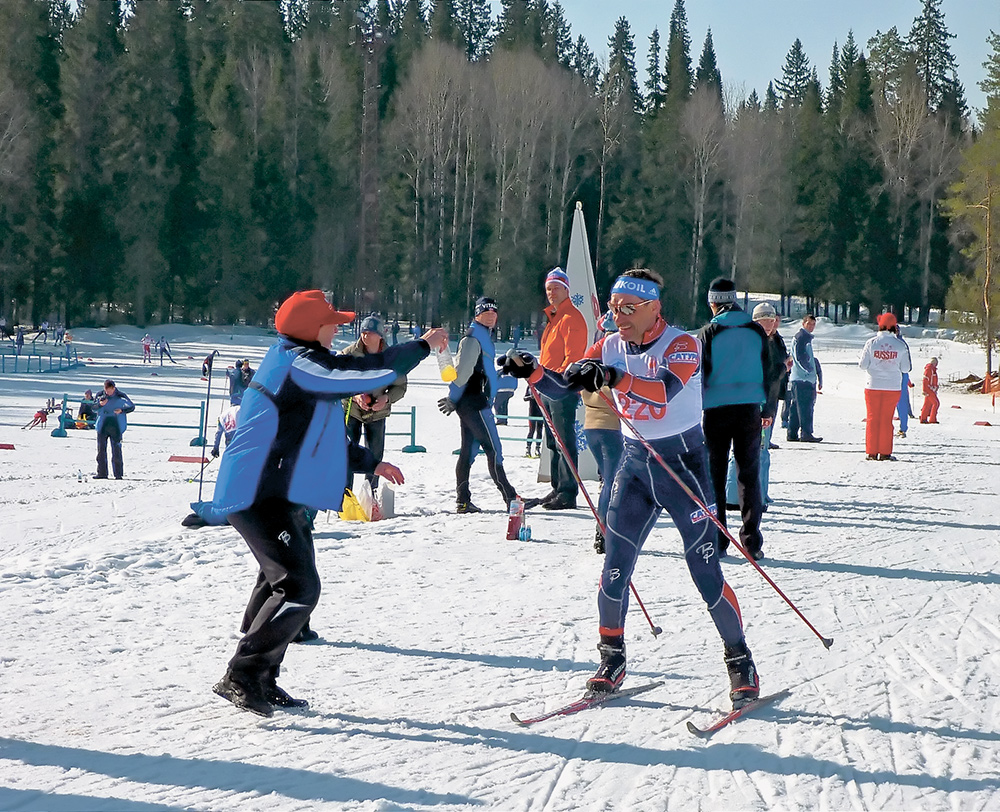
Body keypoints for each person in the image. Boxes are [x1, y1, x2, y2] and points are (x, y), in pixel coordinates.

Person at [502, 268, 761, 709]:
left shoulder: (682, 343)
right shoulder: (609, 344)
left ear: (653, 309)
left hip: (685, 468)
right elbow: (564, 386)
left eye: (628, 308)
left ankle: (741, 662)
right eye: (614, 307)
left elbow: (663, 392)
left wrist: (613, 378)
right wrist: (532, 370)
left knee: (704, 573)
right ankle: (612, 659)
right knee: (614, 568)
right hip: (637, 466)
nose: (618, 315)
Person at [205, 289, 446, 717]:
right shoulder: (299, 362)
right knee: (299, 587)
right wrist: (424, 346)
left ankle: (261, 675)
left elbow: (324, 434)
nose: (338, 329)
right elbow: (366, 371)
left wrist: (371, 461)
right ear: (309, 327)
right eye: (332, 322)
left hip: (276, 493)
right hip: (258, 493)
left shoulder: (298, 363)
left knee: (278, 580)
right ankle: (241, 674)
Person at [699, 278, 774, 561]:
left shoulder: (711, 331)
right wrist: (766, 407)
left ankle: (717, 539)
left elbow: (700, 371)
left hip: (717, 409)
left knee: (714, 476)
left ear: (714, 302)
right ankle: (751, 541)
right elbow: (769, 368)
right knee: (748, 474)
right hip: (749, 408)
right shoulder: (755, 330)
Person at [438, 297, 521, 514]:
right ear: (477, 314)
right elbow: (463, 372)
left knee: (469, 450)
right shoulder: (473, 338)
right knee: (493, 449)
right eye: (486, 312)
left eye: (494, 312)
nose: (492, 315)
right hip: (474, 403)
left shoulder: (482, 337)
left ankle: (463, 500)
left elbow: (484, 371)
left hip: (472, 402)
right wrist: (452, 398)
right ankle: (511, 498)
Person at [532, 267, 589, 510]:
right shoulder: (555, 319)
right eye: (548, 289)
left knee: (564, 440)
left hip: (560, 388)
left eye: (556, 288)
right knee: (553, 442)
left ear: (567, 289)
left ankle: (567, 491)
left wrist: (558, 383)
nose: (551, 293)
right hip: (546, 386)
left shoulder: (570, 318)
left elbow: (573, 358)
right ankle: (558, 487)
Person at [725, 302, 789, 513]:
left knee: (759, 452)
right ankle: (738, 497)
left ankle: (755, 494)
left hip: (764, 402)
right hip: (753, 403)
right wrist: (782, 368)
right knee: (749, 452)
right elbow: (763, 376)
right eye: (766, 320)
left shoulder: (773, 340)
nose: (770, 324)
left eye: (772, 320)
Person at [340, 314, 407, 494]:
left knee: (375, 457)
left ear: (380, 336)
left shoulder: (392, 358)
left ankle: (372, 495)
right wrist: (355, 396)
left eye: (370, 332)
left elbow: (400, 386)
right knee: (346, 454)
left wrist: (387, 398)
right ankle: (345, 497)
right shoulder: (348, 354)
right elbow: (339, 382)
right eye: (363, 332)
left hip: (378, 413)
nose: (365, 336)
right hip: (351, 411)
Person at [582, 311, 623, 555]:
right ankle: (605, 533)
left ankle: (606, 530)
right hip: (610, 426)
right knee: (612, 481)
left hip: (592, 426)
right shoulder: (613, 357)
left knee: (608, 479)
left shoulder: (591, 357)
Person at [859, 312, 911, 461]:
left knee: (872, 418)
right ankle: (885, 452)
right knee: (886, 420)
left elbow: (862, 365)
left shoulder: (871, 343)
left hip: (872, 385)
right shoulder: (900, 345)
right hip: (892, 387)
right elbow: (905, 368)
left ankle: (871, 452)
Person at [787, 314, 823, 442]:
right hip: (803, 378)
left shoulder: (803, 338)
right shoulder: (802, 338)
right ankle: (806, 433)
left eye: (813, 324)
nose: (811, 326)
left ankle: (792, 433)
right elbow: (800, 356)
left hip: (798, 378)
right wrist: (809, 370)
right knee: (806, 407)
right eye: (809, 324)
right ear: (803, 324)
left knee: (796, 406)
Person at [93, 379, 135, 480]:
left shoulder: (121, 395)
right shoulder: (100, 395)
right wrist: (100, 405)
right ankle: (102, 473)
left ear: (114, 388)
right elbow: (93, 408)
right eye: (106, 390)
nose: (107, 393)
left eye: (109, 391)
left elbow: (132, 406)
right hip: (102, 425)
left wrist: (122, 410)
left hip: (116, 425)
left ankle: (118, 474)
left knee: (116, 450)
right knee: (101, 450)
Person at [894, 326, 915, 438]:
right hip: (893, 375)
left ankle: (903, 428)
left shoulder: (901, 344)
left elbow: (908, 366)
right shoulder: (889, 342)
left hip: (901, 375)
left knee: (901, 401)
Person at [921, 357, 941, 424]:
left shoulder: (933, 369)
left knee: (927, 404)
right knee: (936, 403)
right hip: (929, 389)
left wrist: (936, 386)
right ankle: (932, 419)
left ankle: (923, 418)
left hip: (931, 389)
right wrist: (924, 390)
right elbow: (925, 380)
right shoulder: (929, 369)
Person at [524, 388, 542, 457]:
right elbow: (525, 398)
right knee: (531, 431)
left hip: (541, 411)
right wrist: (531, 397)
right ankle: (528, 449)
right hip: (532, 411)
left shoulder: (542, 385)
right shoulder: (529, 386)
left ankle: (537, 448)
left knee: (539, 431)